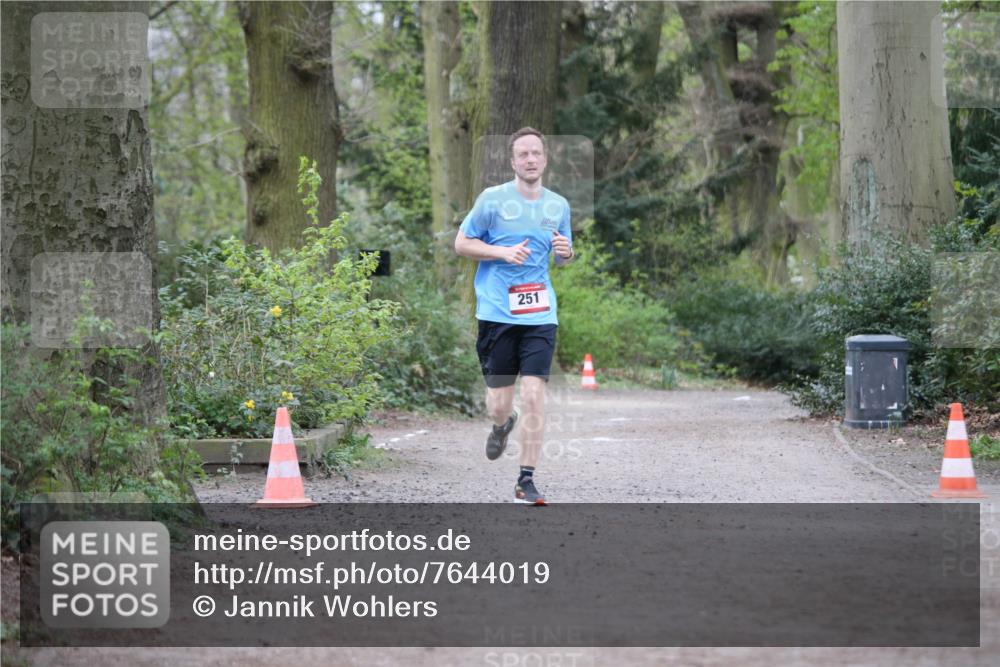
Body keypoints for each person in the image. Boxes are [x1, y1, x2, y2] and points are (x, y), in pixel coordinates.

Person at [454, 127, 574, 505]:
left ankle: (526, 479)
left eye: (536, 153)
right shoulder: (492, 200)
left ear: (545, 158)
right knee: (499, 402)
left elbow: (561, 255)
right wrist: (502, 253)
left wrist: (566, 251)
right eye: (523, 154)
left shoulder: (558, 205)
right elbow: (461, 243)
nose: (530, 160)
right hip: (496, 312)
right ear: (512, 161)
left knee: (535, 394)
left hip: (540, 313)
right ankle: (502, 424)